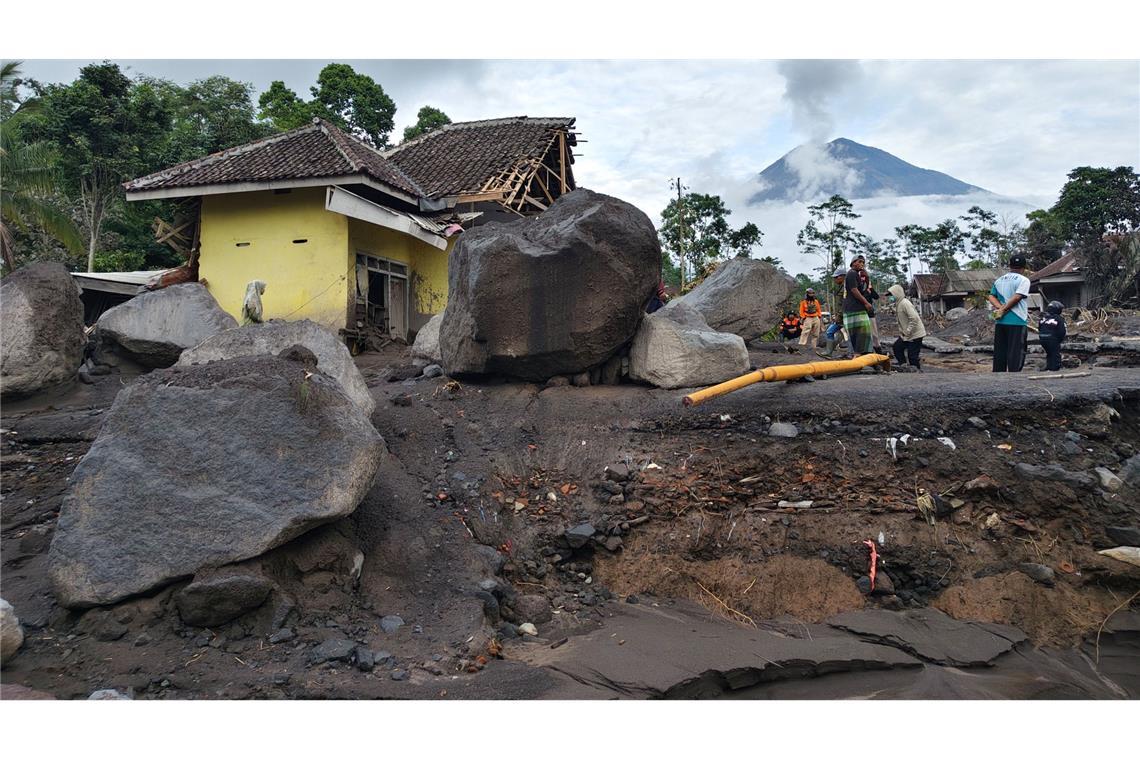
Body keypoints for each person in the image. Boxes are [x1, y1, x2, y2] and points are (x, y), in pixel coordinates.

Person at [988, 254, 1032, 372]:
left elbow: (991, 296)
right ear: (1023, 267)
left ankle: (998, 374)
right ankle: (1014, 376)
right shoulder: (1024, 280)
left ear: (1010, 266)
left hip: (1000, 321)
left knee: (1000, 350)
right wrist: (1003, 309)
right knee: (1016, 350)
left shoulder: (999, 280)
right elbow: (1017, 297)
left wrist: (999, 308)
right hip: (1017, 321)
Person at [887, 284, 926, 371]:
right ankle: (904, 366)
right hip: (906, 335)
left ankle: (918, 372)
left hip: (915, 334)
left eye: (892, 295)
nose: (890, 297)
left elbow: (914, 318)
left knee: (912, 356)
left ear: (897, 293)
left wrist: (908, 331)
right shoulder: (898, 304)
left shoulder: (905, 303)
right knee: (897, 348)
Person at [843, 255, 876, 358]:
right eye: (860, 261)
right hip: (855, 308)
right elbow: (854, 290)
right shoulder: (852, 273)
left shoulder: (855, 274)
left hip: (855, 308)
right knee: (861, 333)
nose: (862, 264)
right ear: (853, 263)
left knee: (861, 333)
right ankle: (858, 355)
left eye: (863, 262)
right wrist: (866, 302)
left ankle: (860, 355)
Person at [1038, 300, 1067, 371]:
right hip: (1052, 339)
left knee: (1049, 353)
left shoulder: (1043, 318)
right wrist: (1059, 339)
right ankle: (1055, 368)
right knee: (1055, 353)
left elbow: (1039, 328)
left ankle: (1049, 366)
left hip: (1042, 339)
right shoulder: (1059, 319)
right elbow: (1062, 331)